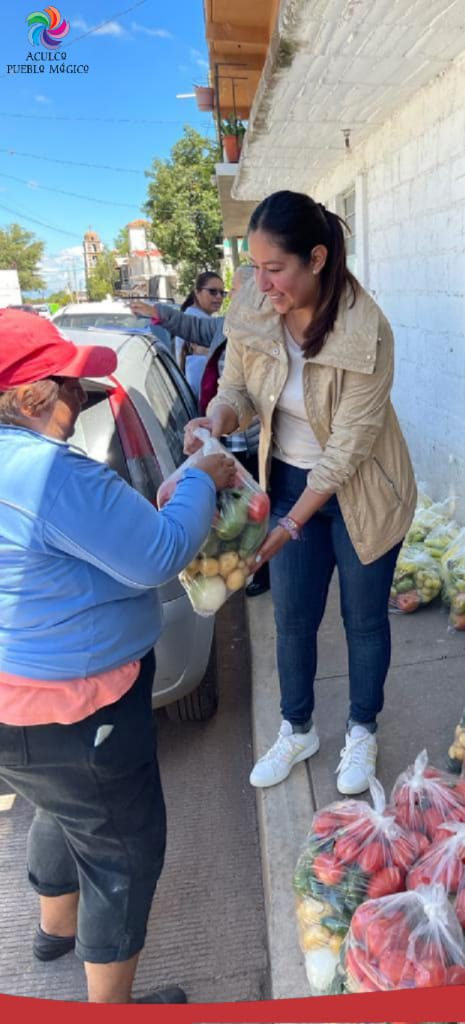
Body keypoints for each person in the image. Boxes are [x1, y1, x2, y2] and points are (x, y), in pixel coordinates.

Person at [0, 310, 236, 1003]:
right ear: (31, 397)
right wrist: (202, 477)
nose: (86, 398)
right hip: (81, 710)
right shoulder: (48, 475)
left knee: (59, 810)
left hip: (16, 712)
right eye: (74, 386)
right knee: (121, 854)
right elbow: (160, 553)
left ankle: (54, 930)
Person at [184, 190, 417, 796]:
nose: (262, 284)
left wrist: (287, 526)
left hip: (363, 489)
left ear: (316, 258)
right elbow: (236, 389)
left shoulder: (367, 331)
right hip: (287, 477)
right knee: (292, 617)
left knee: (362, 619)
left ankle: (362, 730)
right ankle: (298, 728)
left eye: (275, 269)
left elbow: (345, 452)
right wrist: (215, 422)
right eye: (254, 267)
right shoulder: (255, 307)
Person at [129, 266, 270, 598]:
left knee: (255, 508)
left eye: (234, 291)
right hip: (223, 432)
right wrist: (160, 314)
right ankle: (242, 562)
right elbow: (194, 326)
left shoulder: (267, 333)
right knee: (235, 512)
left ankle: (261, 569)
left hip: (250, 438)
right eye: (225, 292)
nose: (228, 298)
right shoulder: (226, 326)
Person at [175, 271, 226, 397]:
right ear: (197, 292)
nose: (219, 297)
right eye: (212, 291)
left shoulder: (196, 318)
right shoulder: (196, 322)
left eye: (222, 293)